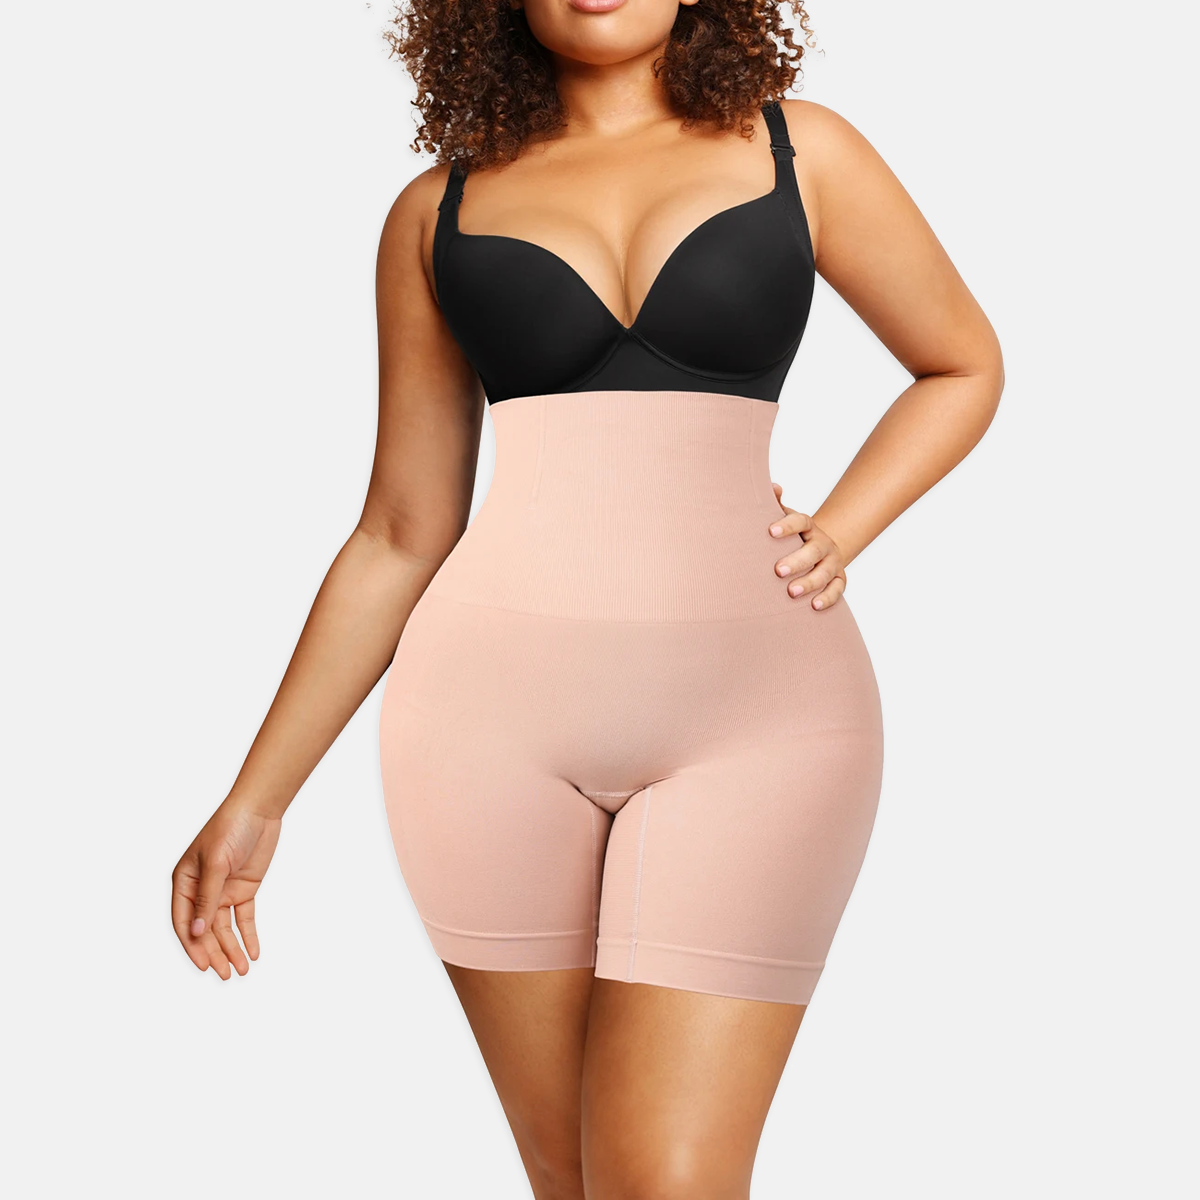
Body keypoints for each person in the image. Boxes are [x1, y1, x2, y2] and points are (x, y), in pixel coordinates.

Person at [171, 0, 1003, 1194]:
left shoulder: (802, 151)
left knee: (663, 1177)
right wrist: (257, 801)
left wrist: (843, 527)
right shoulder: (436, 212)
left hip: (762, 718)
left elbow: (962, 363)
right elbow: (401, 531)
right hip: (484, 733)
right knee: (575, 1183)